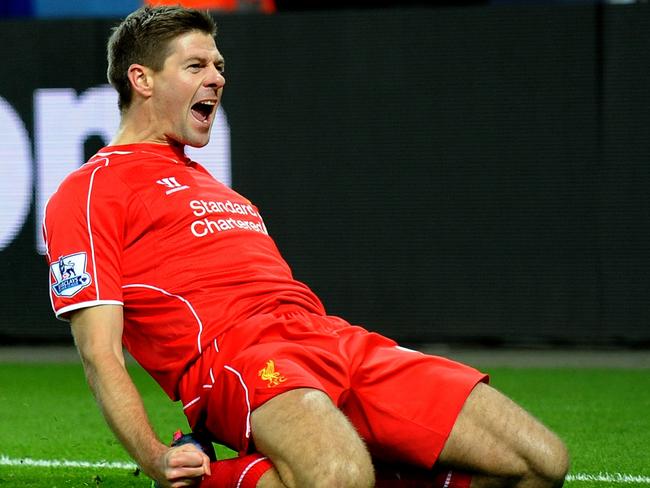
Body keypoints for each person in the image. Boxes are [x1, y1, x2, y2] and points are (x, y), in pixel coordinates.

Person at [43, 6, 569, 488]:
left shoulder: (217, 187)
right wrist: (155, 457)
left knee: (539, 462)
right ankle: (204, 480)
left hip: (332, 337)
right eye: (196, 65)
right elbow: (99, 353)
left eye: (219, 65)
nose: (217, 78)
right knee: (340, 476)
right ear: (143, 79)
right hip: (241, 358)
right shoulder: (87, 191)